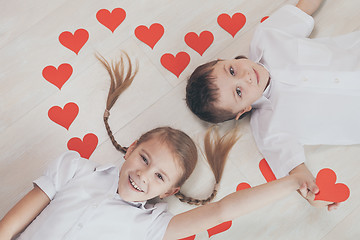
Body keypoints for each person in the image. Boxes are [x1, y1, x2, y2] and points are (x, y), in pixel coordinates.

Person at [0, 52, 306, 240]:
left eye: (160, 177)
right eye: (145, 159)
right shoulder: (75, 170)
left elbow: (222, 211)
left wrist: (292, 182)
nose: (144, 176)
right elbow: (9, 226)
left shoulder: (150, 227)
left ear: (169, 192)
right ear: (131, 148)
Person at [186, 0, 360, 211]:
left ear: (224, 59)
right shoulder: (268, 130)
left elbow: (304, 9)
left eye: (232, 71)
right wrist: (313, 193)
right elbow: (296, 172)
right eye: (239, 91)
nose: (246, 77)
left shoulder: (267, 36)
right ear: (243, 110)